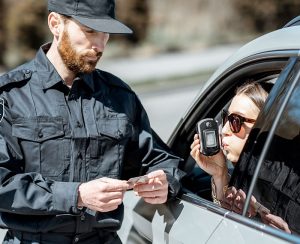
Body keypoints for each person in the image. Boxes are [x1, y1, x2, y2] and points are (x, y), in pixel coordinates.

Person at [0, 0, 183, 243]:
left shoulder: (119, 96)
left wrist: (164, 181)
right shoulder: (11, 96)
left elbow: (162, 160)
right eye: (89, 31)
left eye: (106, 34)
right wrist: (76, 195)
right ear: (56, 24)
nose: (99, 45)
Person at [190, 81, 291, 233]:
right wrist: (220, 174)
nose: (223, 130)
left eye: (235, 121)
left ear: (267, 128)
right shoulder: (248, 175)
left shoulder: (289, 187)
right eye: (226, 118)